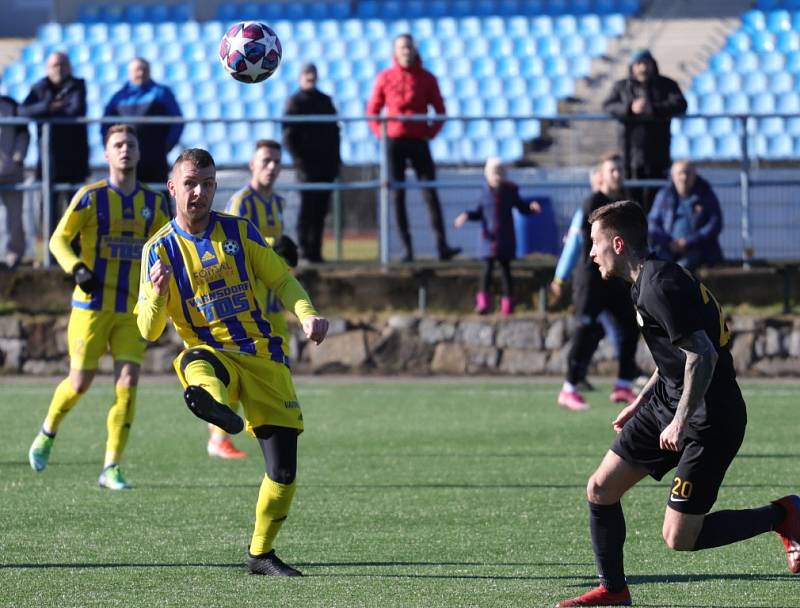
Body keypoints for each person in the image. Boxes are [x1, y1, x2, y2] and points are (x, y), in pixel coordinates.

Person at [555, 199, 800, 607]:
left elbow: (702, 355)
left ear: (617, 244)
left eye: (595, 243)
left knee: (680, 537)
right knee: (600, 489)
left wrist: (680, 420)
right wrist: (641, 401)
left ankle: (785, 514)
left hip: (710, 418)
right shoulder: (647, 280)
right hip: (668, 403)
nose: (590, 253)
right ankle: (614, 591)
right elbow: (676, 352)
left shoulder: (658, 286)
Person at [136, 148, 329, 576]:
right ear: (173, 187)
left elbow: (281, 278)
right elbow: (147, 332)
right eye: (190, 183)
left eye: (207, 184)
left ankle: (260, 554)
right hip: (209, 352)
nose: (199, 192)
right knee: (199, 366)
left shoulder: (240, 232)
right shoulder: (159, 250)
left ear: (215, 187)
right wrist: (154, 292)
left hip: (263, 355)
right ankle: (216, 409)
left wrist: (307, 315)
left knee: (283, 472)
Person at [27, 125, 171, 489]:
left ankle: (111, 466)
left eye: (131, 145)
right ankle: (47, 430)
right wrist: (76, 267)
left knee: (128, 382)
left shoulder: (154, 203)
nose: (125, 150)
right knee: (80, 382)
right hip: (91, 305)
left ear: (139, 154)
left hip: (131, 309)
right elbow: (59, 239)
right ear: (106, 154)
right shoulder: (90, 197)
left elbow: (167, 246)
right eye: (117, 145)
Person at [210, 139, 298, 459]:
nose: (271, 166)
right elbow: (230, 248)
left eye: (276, 161)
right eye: (266, 160)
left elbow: (274, 252)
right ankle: (219, 436)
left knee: (280, 360)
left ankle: (276, 423)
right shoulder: (241, 202)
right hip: (248, 299)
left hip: (272, 298)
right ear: (252, 164)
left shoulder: (277, 202)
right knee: (242, 364)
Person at [552, 153, 641, 411]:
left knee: (630, 324)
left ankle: (623, 384)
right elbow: (577, 244)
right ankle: (568, 388)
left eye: (620, 169)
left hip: (612, 278)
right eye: (613, 170)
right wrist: (561, 277)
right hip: (591, 278)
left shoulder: (621, 205)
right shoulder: (593, 202)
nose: (618, 174)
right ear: (600, 176)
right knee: (585, 330)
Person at [366, 33, 460, 262]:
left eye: (409, 47)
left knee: (430, 192)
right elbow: (373, 112)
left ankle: (442, 246)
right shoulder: (385, 77)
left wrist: (430, 132)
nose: (406, 51)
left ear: (414, 49)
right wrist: (382, 134)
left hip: (419, 141)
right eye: (401, 47)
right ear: (395, 52)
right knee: (398, 195)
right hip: (395, 142)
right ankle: (406, 249)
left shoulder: (427, 78)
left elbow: (440, 110)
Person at [602, 49, 687, 212]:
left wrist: (653, 109)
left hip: (658, 155)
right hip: (630, 157)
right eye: (639, 64)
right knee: (632, 204)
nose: (643, 68)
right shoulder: (621, 87)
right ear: (632, 67)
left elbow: (680, 104)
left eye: (646, 63)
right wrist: (630, 108)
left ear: (652, 65)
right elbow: (608, 106)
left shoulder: (666, 85)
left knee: (658, 203)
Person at [453, 157, 540, 316]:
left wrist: (531, 208)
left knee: (505, 271)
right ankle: (483, 304)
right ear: (487, 174)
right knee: (486, 271)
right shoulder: (484, 192)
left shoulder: (510, 191)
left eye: (500, 172)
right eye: (494, 172)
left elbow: (522, 207)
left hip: (505, 238)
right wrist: (465, 215)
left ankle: (508, 305)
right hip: (488, 239)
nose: (497, 175)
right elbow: (478, 213)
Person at [19, 52, 89, 248]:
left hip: (75, 159)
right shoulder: (39, 87)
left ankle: (74, 252)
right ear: (47, 68)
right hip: (48, 160)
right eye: (54, 65)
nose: (58, 69)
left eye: (62, 64)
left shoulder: (77, 85)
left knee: (75, 209)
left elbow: (75, 109)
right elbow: (23, 111)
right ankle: (50, 253)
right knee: (48, 210)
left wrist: (44, 110)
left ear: (69, 67)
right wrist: (52, 105)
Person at [282, 63, 340, 263]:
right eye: (306, 73)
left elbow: (335, 134)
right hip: (307, 166)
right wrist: (299, 161)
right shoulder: (295, 102)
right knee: (307, 210)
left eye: (313, 73)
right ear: (300, 77)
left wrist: (336, 162)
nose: (310, 77)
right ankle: (305, 251)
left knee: (321, 211)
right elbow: (288, 137)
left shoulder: (325, 101)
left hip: (326, 166)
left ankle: (316, 252)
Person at [102, 58, 184, 186]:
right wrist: (110, 148)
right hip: (127, 157)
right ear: (129, 73)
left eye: (144, 69)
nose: (141, 73)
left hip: (155, 157)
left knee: (158, 194)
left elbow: (177, 121)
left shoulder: (161, 93)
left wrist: (167, 145)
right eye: (137, 70)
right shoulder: (118, 97)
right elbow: (106, 125)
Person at [648, 160, 724, 271]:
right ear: (673, 176)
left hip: (698, 249)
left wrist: (689, 241)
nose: (684, 177)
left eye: (688, 173)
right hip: (667, 248)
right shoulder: (664, 195)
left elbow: (715, 223)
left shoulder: (706, 194)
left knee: (680, 269)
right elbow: (653, 223)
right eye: (680, 173)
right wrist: (668, 242)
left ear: (694, 175)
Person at [0, 89, 30, 269]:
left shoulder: (11, 104)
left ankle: (14, 254)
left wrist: (18, 158)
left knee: (15, 215)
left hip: (10, 171)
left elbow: (23, 133)